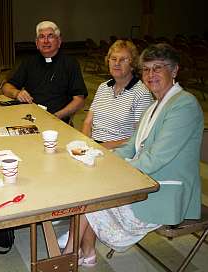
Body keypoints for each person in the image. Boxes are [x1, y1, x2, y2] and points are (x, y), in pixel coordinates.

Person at [62, 43, 203, 267]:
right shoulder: (155, 105)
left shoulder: (184, 105)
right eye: (146, 69)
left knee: (93, 193)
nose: (150, 75)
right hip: (148, 178)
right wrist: (101, 159)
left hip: (167, 190)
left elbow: (156, 158)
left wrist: (117, 173)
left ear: (174, 70)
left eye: (158, 68)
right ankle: (82, 252)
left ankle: (68, 257)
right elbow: (131, 147)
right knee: (90, 183)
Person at [2, 21, 88, 123]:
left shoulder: (70, 63)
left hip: (57, 119)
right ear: (37, 43)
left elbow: (79, 100)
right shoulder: (29, 62)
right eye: (42, 37)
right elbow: (6, 87)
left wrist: (56, 116)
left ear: (59, 41)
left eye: (50, 36)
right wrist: (17, 93)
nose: (46, 41)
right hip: (29, 117)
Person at [82, 40, 153, 149]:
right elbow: (88, 122)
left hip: (118, 150)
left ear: (132, 64)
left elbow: (140, 136)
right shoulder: (103, 87)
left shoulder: (142, 93)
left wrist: (101, 147)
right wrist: (86, 144)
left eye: (123, 59)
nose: (117, 63)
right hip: (93, 146)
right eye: (113, 59)